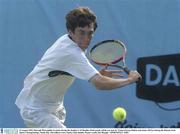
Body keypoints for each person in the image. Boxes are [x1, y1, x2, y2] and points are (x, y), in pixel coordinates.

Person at [15, 7, 141, 128]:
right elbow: (99, 84)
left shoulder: (70, 42)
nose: (86, 39)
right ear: (70, 31)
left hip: (52, 108)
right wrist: (130, 80)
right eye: (81, 32)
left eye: (90, 33)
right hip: (37, 110)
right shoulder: (70, 52)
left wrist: (98, 74)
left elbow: (77, 71)